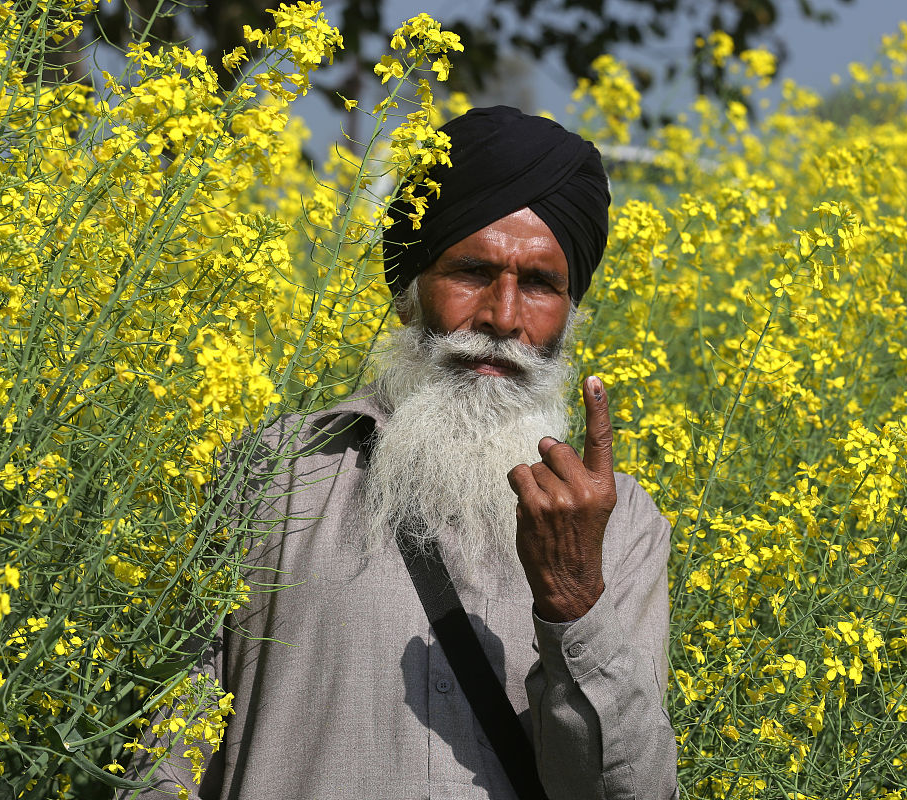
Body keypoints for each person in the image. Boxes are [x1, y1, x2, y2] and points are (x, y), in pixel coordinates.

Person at [120, 106, 678, 799]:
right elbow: (168, 750)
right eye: (472, 272)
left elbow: (631, 791)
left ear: (569, 312)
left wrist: (574, 597)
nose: (503, 318)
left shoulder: (622, 527)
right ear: (407, 294)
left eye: (539, 285)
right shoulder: (273, 473)